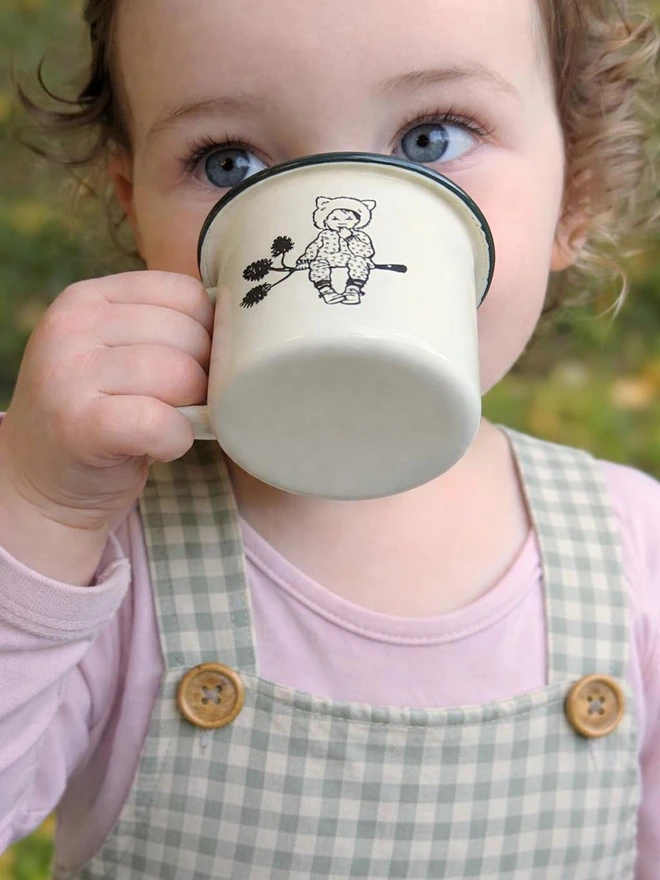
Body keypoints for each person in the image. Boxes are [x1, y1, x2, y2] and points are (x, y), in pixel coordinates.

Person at [0, 0, 659, 876]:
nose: (340, 205)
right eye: (229, 162)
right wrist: (37, 510)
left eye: (431, 138)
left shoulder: (634, 555)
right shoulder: (92, 542)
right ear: (138, 211)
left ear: (576, 191)